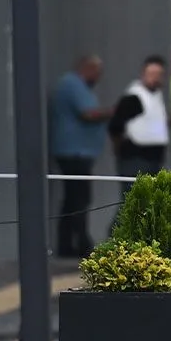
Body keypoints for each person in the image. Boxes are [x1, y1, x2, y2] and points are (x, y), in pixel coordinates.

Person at [49, 54, 113, 258]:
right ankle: (81, 242)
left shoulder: (75, 86)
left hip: (77, 151)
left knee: (72, 199)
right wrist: (112, 112)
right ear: (87, 68)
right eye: (97, 72)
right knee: (79, 199)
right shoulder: (73, 84)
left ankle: (68, 244)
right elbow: (87, 113)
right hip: (74, 152)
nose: (99, 77)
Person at [106, 55, 171, 193]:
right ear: (143, 74)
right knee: (132, 202)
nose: (156, 78)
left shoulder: (156, 95)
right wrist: (121, 150)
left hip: (154, 159)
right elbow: (115, 126)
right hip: (135, 159)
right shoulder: (134, 97)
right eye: (152, 74)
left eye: (159, 75)